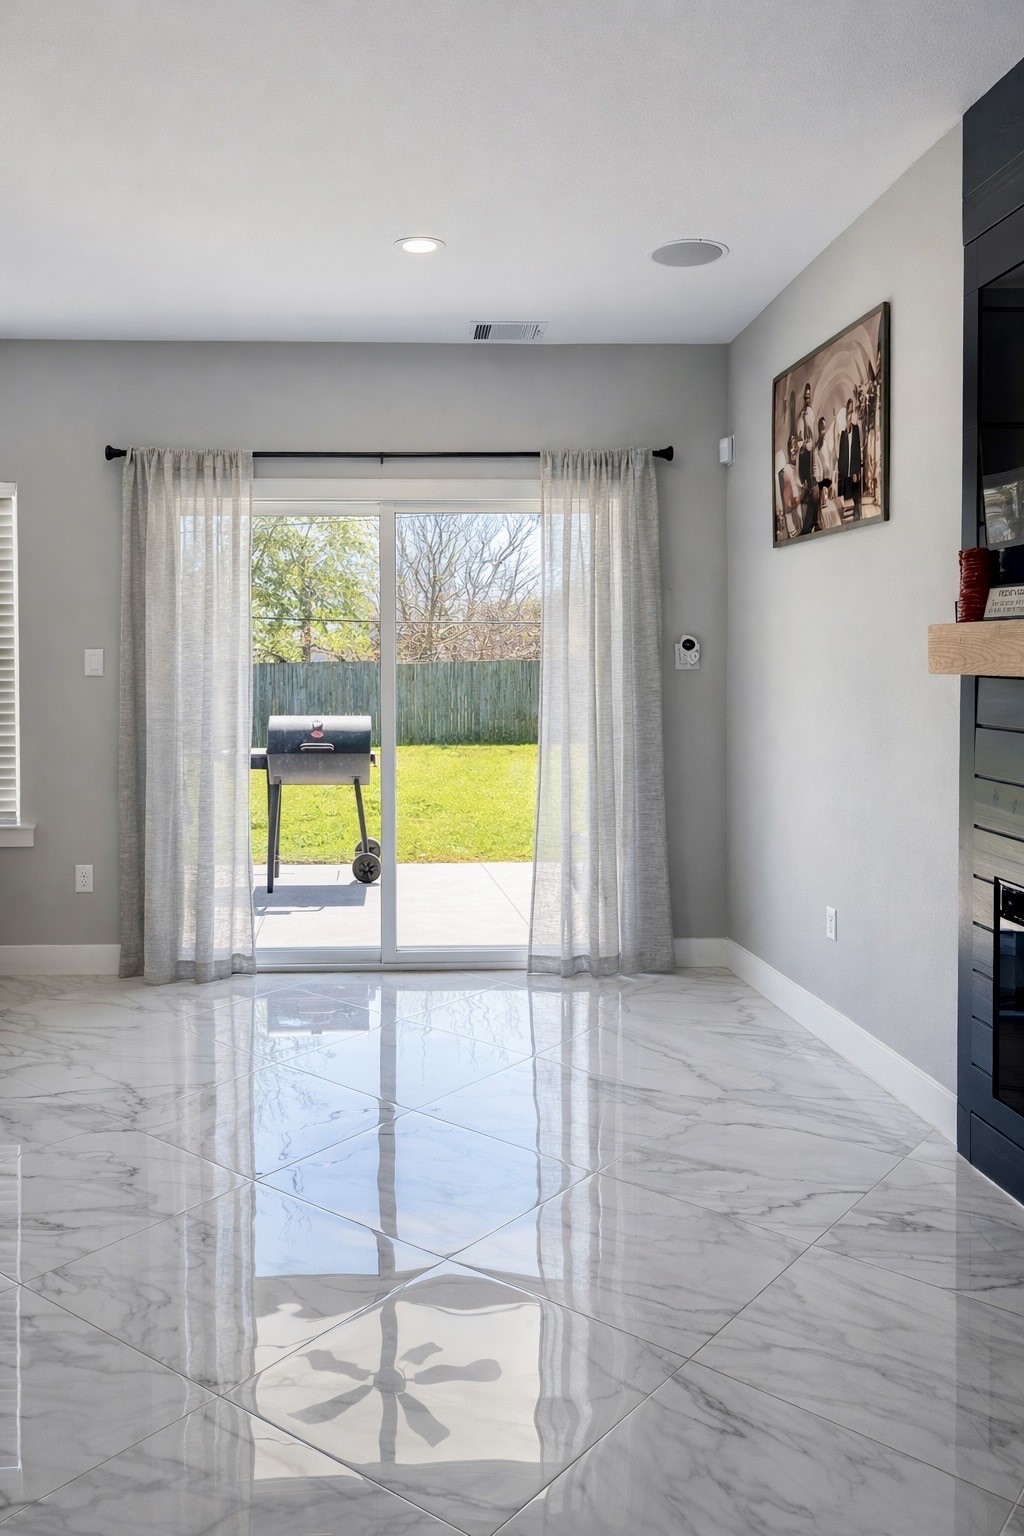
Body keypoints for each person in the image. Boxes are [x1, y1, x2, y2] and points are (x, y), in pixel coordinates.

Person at [837, 397, 863, 520]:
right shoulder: (842, 432)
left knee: (856, 500)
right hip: (844, 473)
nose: (850, 414)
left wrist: (856, 471)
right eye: (849, 411)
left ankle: (858, 519)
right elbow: (840, 453)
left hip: (853, 472)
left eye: (852, 411)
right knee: (846, 503)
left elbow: (857, 452)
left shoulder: (856, 429)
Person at [779, 434, 808, 539]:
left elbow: (798, 485)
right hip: (792, 511)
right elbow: (789, 501)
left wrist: (802, 487)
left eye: (795, 446)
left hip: (798, 507)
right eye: (792, 446)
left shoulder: (794, 468)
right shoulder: (787, 470)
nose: (794, 450)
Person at [797, 382, 815, 505]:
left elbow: (811, 431)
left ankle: (809, 492)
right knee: (803, 472)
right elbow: (800, 432)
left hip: (808, 449)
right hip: (803, 449)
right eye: (806, 397)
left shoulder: (810, 413)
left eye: (809, 397)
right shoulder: (802, 414)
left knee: (809, 472)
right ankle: (804, 492)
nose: (807, 399)